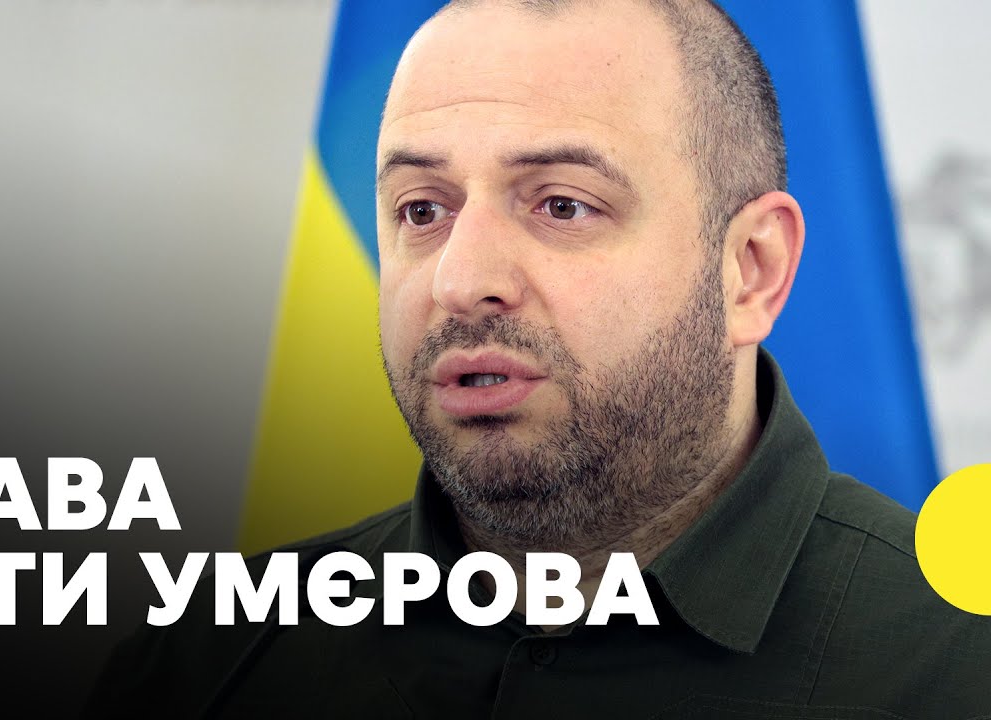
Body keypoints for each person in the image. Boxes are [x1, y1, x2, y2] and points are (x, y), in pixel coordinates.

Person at [85, 0, 991, 717]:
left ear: (750, 269)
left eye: (562, 205)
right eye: (421, 210)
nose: (461, 279)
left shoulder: (959, 667)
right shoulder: (203, 668)